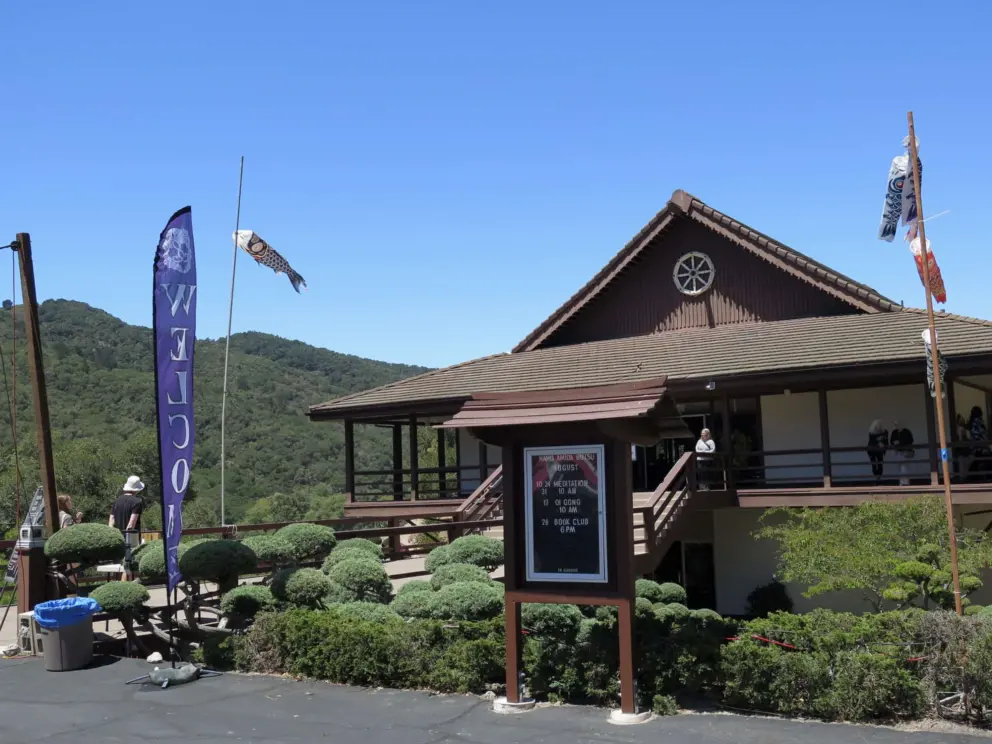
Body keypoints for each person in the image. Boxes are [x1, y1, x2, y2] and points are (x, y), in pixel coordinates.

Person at [109, 475, 145, 579]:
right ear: (136, 490)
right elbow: (131, 524)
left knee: (119, 565)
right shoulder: (137, 502)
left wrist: (114, 536)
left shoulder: (117, 501)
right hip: (130, 538)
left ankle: (119, 586)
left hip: (117, 538)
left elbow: (111, 522)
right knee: (129, 565)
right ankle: (129, 586)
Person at [889, 421, 915, 486]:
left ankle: (905, 483)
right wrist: (894, 443)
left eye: (897, 425)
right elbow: (891, 441)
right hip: (897, 452)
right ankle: (901, 482)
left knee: (904, 467)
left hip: (905, 451)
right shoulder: (894, 432)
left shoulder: (907, 432)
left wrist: (900, 442)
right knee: (899, 468)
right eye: (895, 425)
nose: (896, 426)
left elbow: (910, 440)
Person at [969, 406, 989, 480]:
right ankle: (980, 477)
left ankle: (975, 476)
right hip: (981, 446)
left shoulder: (973, 422)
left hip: (977, 445)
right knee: (981, 460)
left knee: (978, 460)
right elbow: (981, 432)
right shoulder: (978, 421)